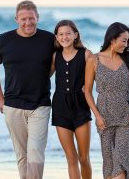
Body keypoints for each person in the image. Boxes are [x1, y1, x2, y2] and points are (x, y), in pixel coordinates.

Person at [0, 0, 55, 179]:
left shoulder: (49, 39)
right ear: (16, 19)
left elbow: (64, 56)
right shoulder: (4, 39)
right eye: (23, 19)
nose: (28, 23)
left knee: (35, 151)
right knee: (22, 154)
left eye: (31, 18)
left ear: (38, 18)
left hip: (40, 104)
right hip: (12, 105)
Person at [84, 22, 129, 179]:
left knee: (123, 164)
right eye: (123, 40)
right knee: (110, 166)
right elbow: (87, 92)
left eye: (128, 40)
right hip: (105, 118)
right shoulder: (93, 60)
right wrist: (97, 116)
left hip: (127, 117)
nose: (127, 44)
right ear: (112, 39)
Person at [50, 20, 92, 179]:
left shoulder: (86, 54)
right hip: (60, 107)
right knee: (71, 157)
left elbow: (98, 75)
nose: (64, 37)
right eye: (60, 34)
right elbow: (42, 77)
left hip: (81, 106)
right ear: (56, 37)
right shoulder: (55, 56)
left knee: (83, 157)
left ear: (76, 35)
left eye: (68, 33)